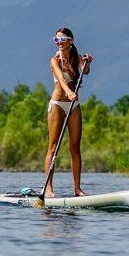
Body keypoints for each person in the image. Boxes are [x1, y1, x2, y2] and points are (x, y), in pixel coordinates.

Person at [44, 27, 93, 199]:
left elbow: (85, 71)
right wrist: (69, 92)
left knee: (75, 147)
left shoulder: (75, 57)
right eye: (56, 40)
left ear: (70, 41)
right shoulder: (54, 60)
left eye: (62, 39)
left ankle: (77, 189)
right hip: (58, 104)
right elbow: (63, 81)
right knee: (54, 146)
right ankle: (48, 189)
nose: (59, 43)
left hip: (74, 105)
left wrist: (87, 62)